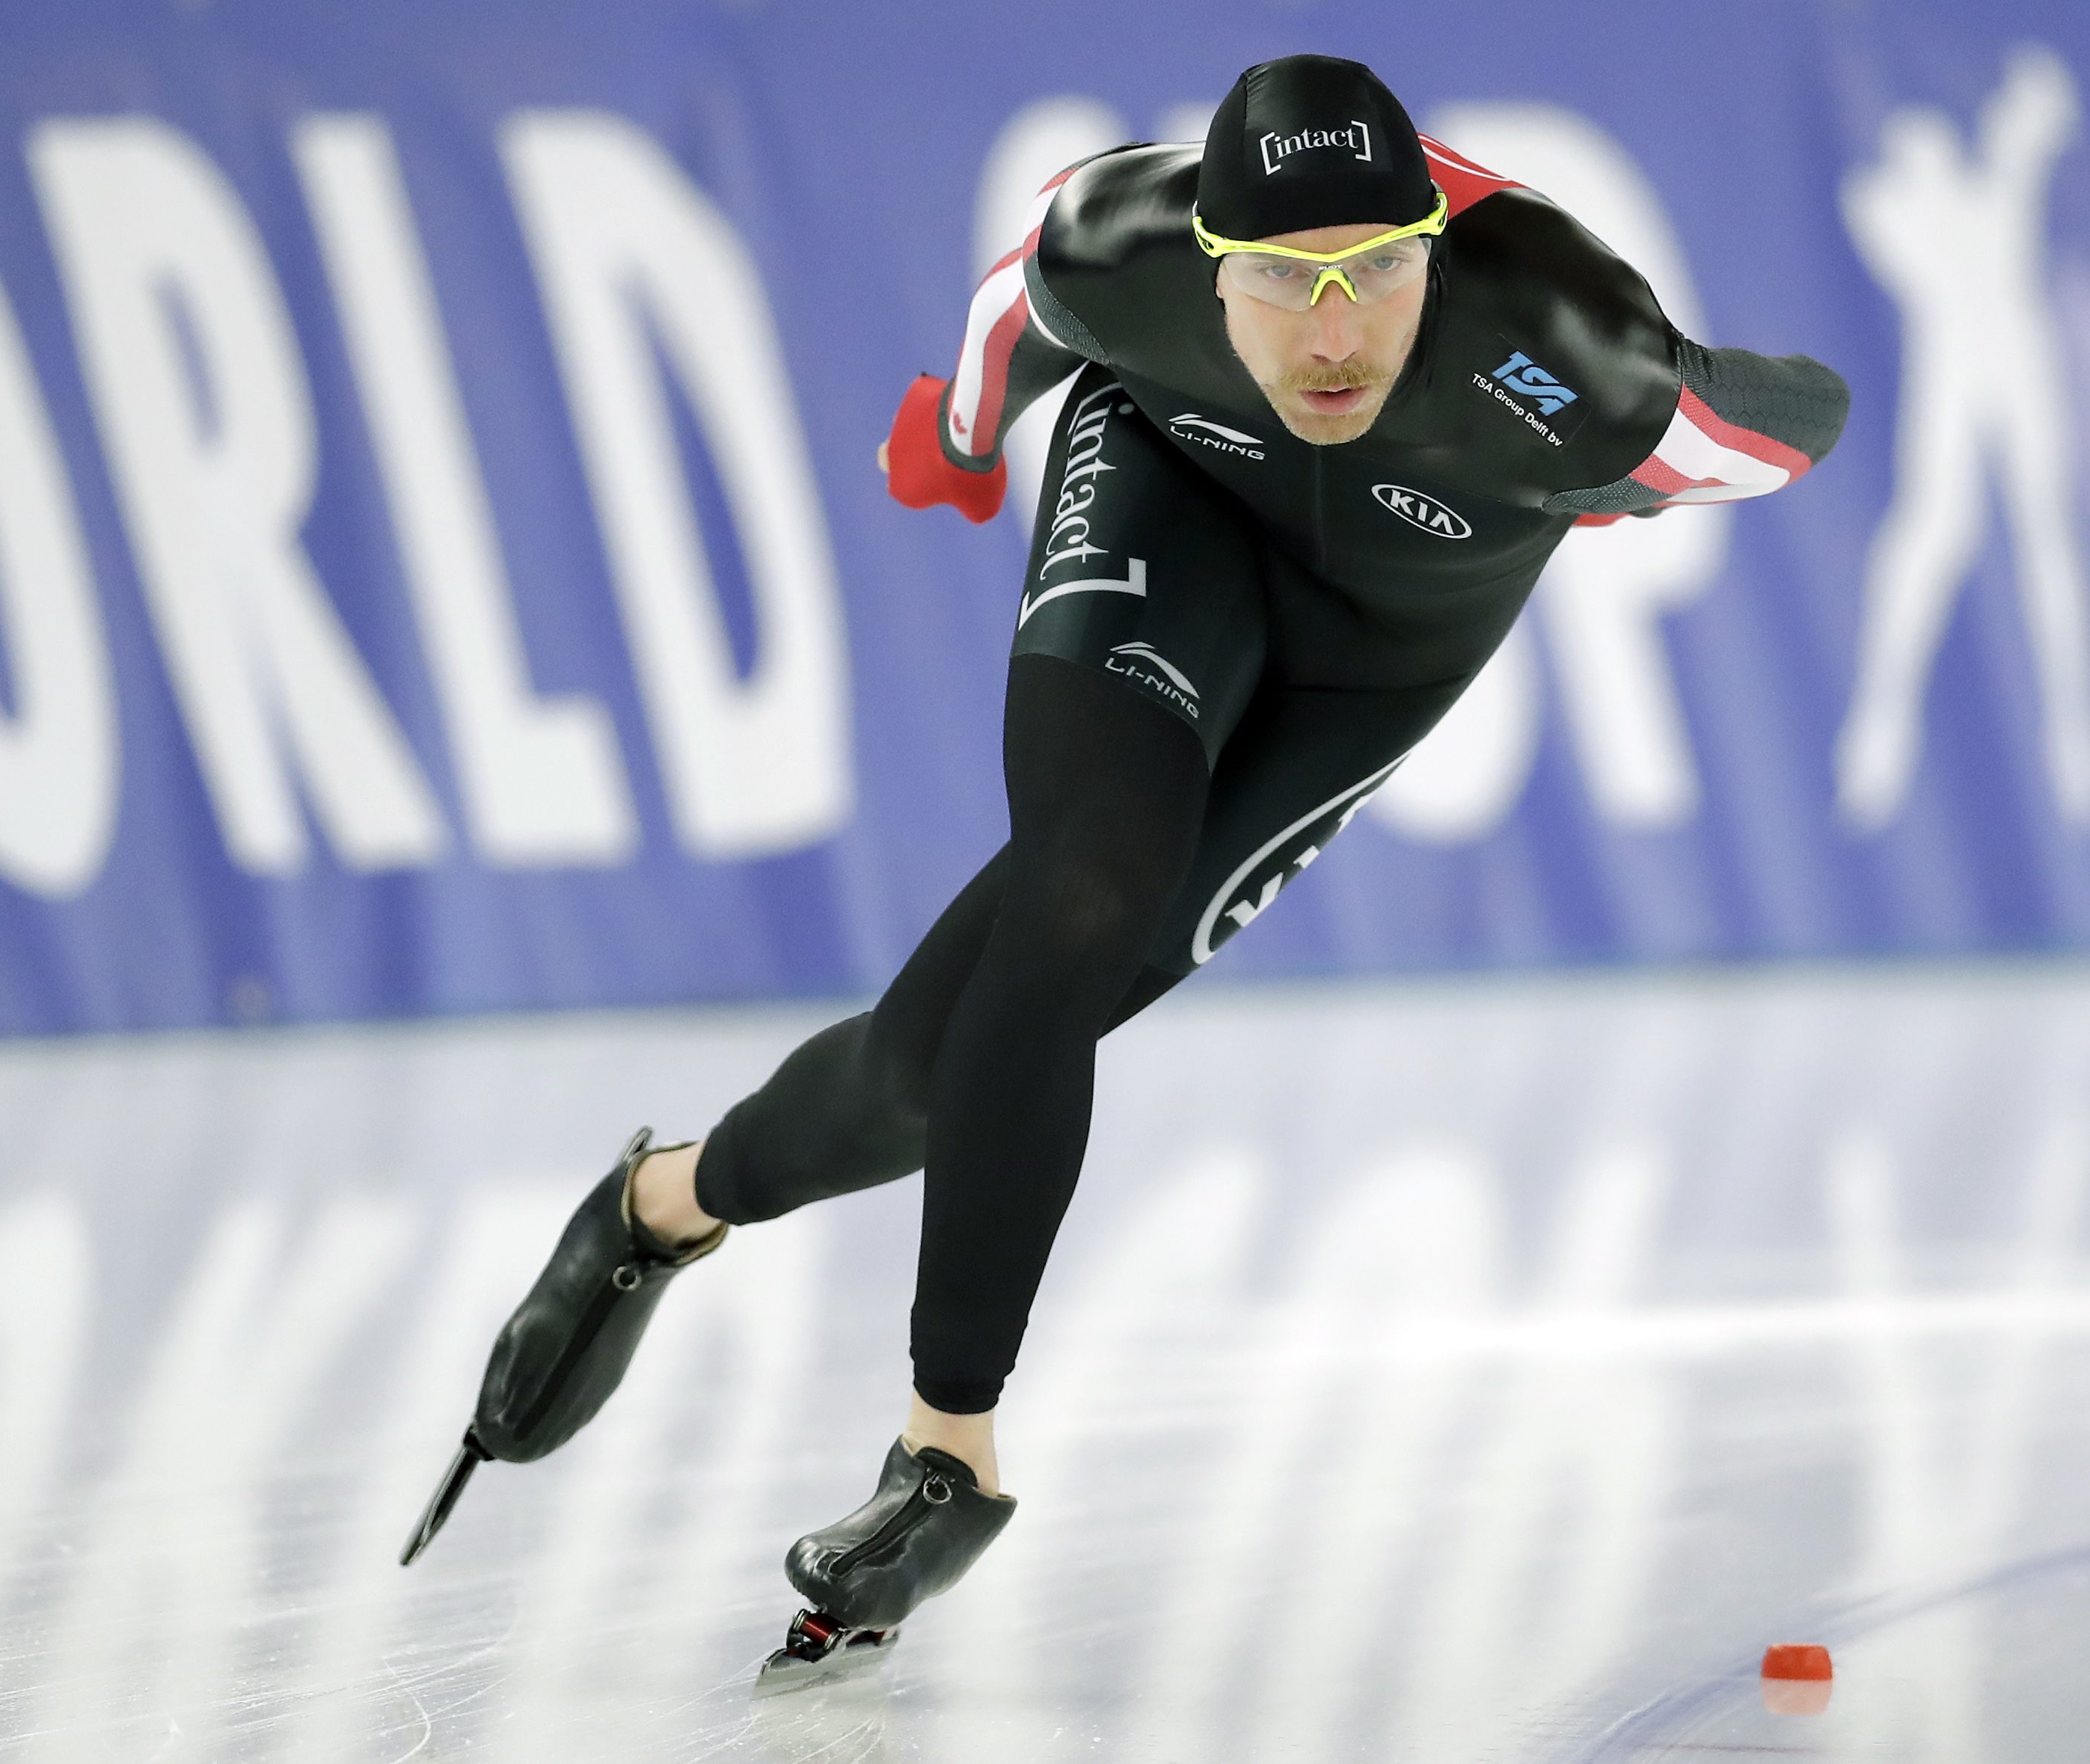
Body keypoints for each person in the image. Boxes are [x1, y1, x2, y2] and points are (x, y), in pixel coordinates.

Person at [401, 52, 1851, 1678]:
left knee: (929, 1072)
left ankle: (660, 1205)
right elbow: (1007, 324)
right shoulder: (1120, 247)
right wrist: (958, 446)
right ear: (1206, 261)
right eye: (1284, 285)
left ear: (1437, 241)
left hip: (1371, 663)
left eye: (1378, 271)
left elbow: (1789, 427)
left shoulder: (1571, 349)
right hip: (1168, 499)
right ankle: (947, 1456)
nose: (1333, 333)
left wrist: (1625, 472)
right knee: (1079, 897)